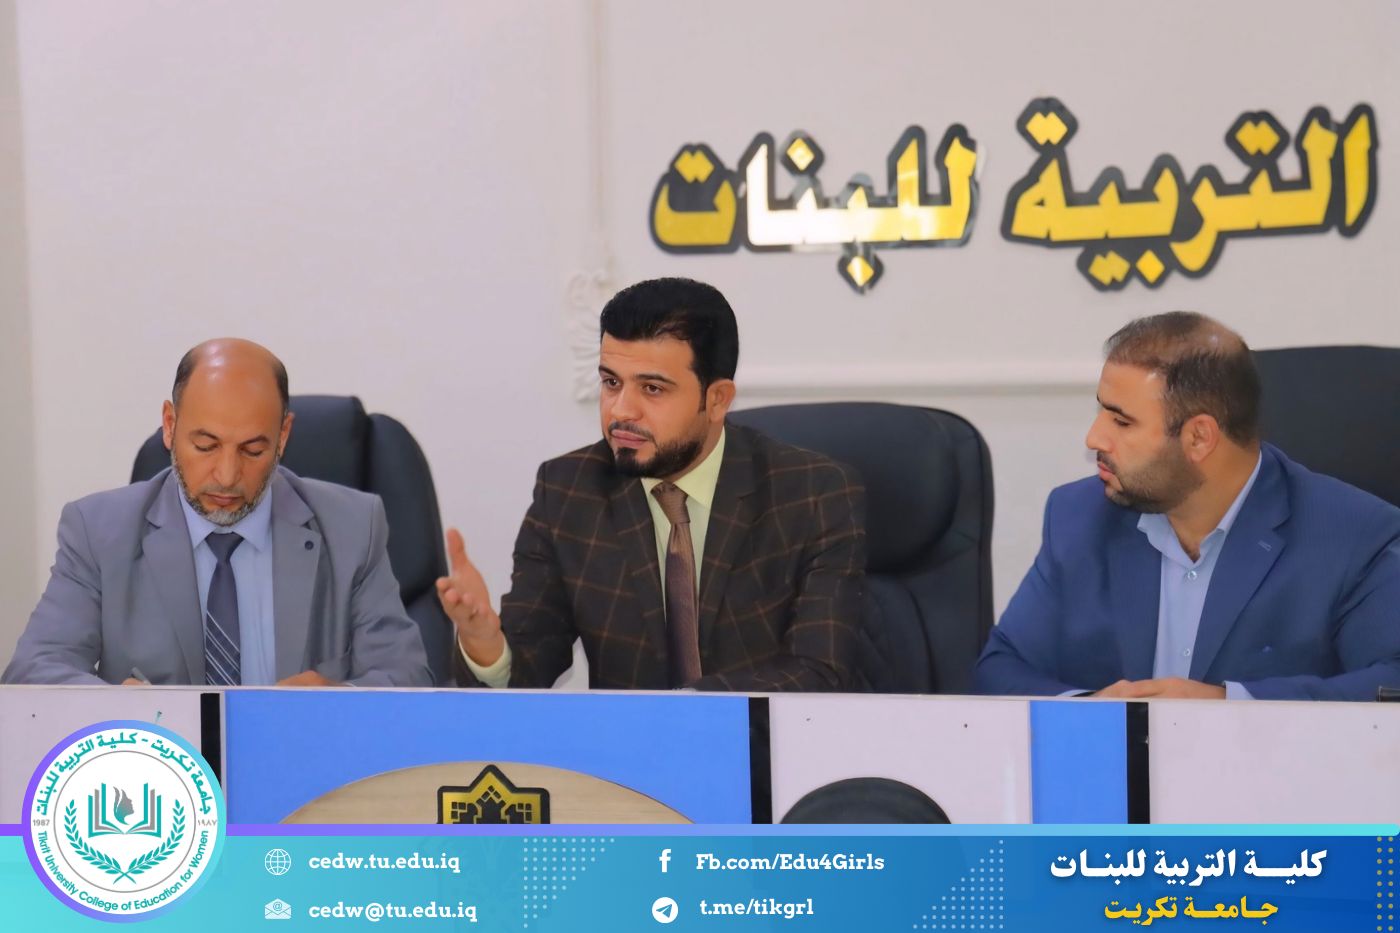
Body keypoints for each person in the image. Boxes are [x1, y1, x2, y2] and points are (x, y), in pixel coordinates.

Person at [438, 277, 865, 691]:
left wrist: (678, 715)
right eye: (611, 383)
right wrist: (486, 646)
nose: (621, 410)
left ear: (717, 399)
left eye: (653, 389)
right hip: (622, 745)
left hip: (763, 740)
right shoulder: (568, 491)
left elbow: (819, 671)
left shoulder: (814, 494)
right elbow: (529, 666)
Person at [974, 312, 1400, 701]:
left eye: (1121, 421)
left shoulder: (1355, 535)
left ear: (1199, 438)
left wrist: (1229, 705)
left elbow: (1391, 682)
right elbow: (1000, 669)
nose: (1094, 438)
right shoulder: (1077, 516)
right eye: (1101, 411)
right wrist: (1090, 710)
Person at [2, 339, 432, 687]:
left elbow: (408, 677)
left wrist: (340, 699)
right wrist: (115, 707)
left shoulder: (353, 527)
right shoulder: (96, 532)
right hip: (161, 765)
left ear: (283, 436)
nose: (227, 476)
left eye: (253, 450)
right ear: (169, 425)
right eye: (206, 446)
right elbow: (33, 672)